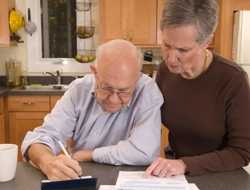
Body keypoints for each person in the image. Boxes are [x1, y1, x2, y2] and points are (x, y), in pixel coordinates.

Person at [21, 39, 163, 180]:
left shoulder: (147, 90)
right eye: (106, 88)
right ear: (95, 72)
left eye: (123, 91)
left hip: (132, 180)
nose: (113, 99)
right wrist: (47, 161)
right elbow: (41, 138)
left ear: (137, 78)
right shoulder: (78, 89)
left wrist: (90, 154)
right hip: (83, 177)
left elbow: (145, 151)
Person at [146, 0, 250, 177]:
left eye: (183, 50)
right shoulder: (165, 71)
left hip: (220, 176)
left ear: (207, 42)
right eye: (166, 45)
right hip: (175, 171)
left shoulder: (233, 79)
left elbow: (242, 152)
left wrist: (184, 165)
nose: (171, 59)